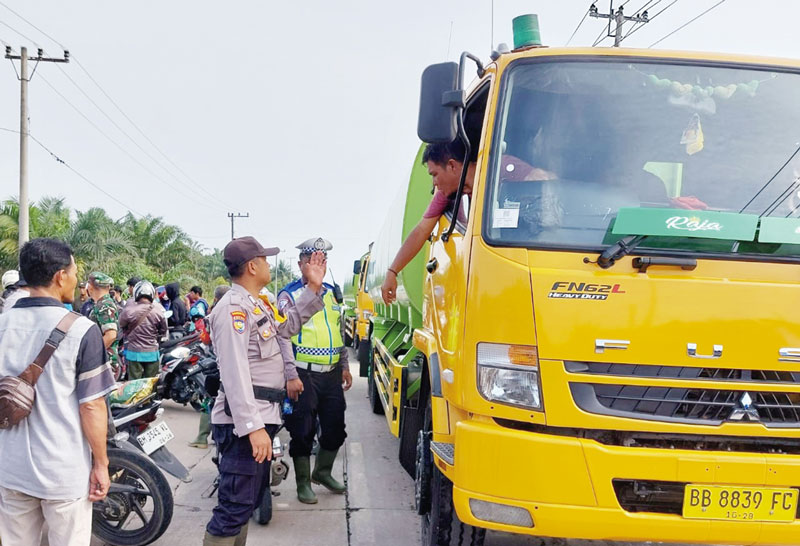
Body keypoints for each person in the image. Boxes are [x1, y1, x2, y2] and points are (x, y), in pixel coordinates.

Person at [203, 236, 326, 546]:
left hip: (262, 415)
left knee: (245, 504)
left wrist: (313, 288)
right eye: (265, 260)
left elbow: (287, 328)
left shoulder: (257, 303)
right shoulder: (233, 309)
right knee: (232, 508)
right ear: (252, 266)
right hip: (244, 423)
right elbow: (234, 373)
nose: (270, 265)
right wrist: (252, 427)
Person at [0, 238, 115, 546]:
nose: (77, 280)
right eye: (75, 272)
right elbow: (91, 406)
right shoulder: (82, 330)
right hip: (63, 471)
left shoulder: (3, 324)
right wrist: (101, 464)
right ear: (60, 276)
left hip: (11, 467)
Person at [278, 237, 353, 505]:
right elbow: (283, 335)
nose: (317, 265)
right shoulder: (289, 295)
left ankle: (322, 472)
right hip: (303, 373)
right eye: (312, 261)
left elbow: (337, 329)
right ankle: (303, 483)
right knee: (302, 431)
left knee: (335, 429)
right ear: (301, 264)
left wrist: (344, 364)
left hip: (330, 373)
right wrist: (290, 375)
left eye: (322, 261)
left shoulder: (332, 292)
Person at [381, 140, 477, 304]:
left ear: (452, 166)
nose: (434, 183)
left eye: (434, 174)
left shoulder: (505, 171)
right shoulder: (446, 194)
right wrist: (392, 271)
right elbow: (421, 230)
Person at [189, 284, 230, 450]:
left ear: (215, 298)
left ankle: (202, 438)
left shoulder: (212, 316)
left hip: (214, 364)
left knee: (209, 399)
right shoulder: (237, 314)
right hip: (231, 366)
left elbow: (205, 339)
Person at [119, 281, 168, 379]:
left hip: (134, 353)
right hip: (152, 353)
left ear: (136, 293)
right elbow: (163, 331)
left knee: (134, 383)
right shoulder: (158, 312)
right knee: (150, 383)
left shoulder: (128, 310)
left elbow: (121, 325)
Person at [86, 272, 120, 375]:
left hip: (105, 362)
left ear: (90, 287)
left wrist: (91, 355)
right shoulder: (102, 304)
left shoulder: (105, 305)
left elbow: (111, 335)